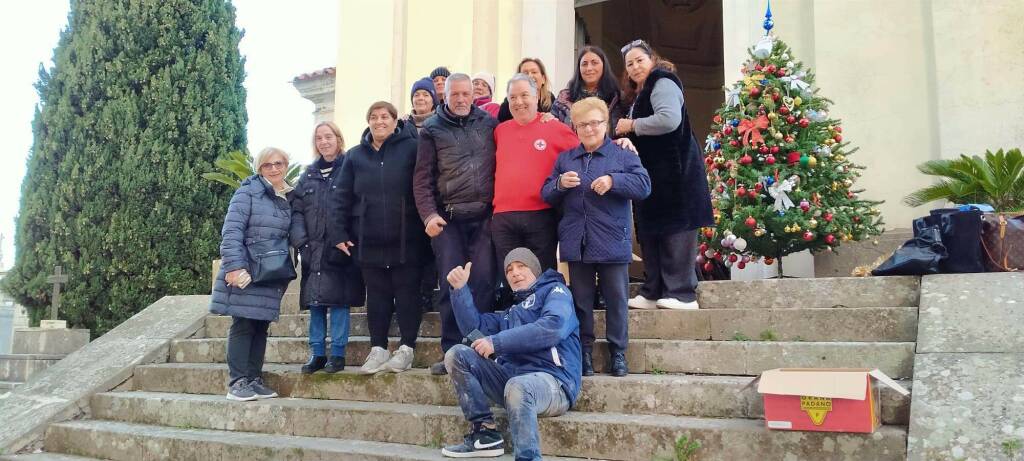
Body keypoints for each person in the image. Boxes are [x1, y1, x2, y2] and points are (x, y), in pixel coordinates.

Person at [542, 97, 651, 377]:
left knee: (616, 299)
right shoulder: (566, 158)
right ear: (575, 128)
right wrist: (559, 184)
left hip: (612, 240)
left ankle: (618, 353)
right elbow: (546, 193)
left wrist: (615, 181)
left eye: (595, 123)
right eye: (582, 125)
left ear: (606, 124)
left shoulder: (622, 154)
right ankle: (584, 354)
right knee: (581, 301)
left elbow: (643, 185)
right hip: (576, 241)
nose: (589, 129)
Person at [440, 248, 581, 460]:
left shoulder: (556, 291)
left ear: (535, 271)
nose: (515, 272)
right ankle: (485, 434)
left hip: (554, 383)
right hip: (513, 382)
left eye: (521, 266)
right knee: (457, 354)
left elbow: (553, 326)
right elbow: (474, 329)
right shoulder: (510, 313)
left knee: (519, 386)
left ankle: (528, 457)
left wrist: (497, 342)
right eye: (509, 270)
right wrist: (460, 290)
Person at [615, 39, 714, 311]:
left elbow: (669, 119)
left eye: (640, 61)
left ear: (652, 60)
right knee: (654, 234)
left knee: (675, 234)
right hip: (656, 180)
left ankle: (682, 294)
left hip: (677, 177)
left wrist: (631, 124)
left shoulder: (663, 81)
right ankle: (653, 290)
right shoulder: (642, 93)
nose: (635, 67)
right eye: (629, 64)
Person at [332, 101, 429, 374]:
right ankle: (378, 348)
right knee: (376, 297)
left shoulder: (412, 147)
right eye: (373, 117)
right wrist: (339, 232)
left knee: (407, 294)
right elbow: (340, 196)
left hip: (407, 237)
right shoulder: (354, 156)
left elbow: (424, 185)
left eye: (385, 116)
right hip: (367, 237)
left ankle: (407, 348)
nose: (379, 122)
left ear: (395, 120)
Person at [414, 73, 499, 375]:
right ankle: (451, 350)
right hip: (447, 221)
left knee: (484, 283)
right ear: (445, 97)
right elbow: (421, 180)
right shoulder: (432, 129)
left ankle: (482, 347)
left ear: (473, 96)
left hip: (485, 218)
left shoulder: (489, 124)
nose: (461, 99)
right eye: (455, 95)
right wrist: (429, 215)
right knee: (451, 284)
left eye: (466, 94)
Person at [210, 147, 295, 401]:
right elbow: (232, 232)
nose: (275, 169)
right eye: (268, 165)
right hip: (247, 270)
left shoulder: (287, 196)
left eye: (279, 163)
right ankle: (237, 383)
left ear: (286, 166)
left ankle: (254, 379)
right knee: (244, 324)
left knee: (260, 325)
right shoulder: (246, 193)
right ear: (259, 168)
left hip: (270, 273)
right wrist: (235, 267)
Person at [290, 122, 365, 375]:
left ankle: (338, 354)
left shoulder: (350, 168)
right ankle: (317, 353)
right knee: (316, 303)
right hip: (313, 249)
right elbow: (297, 212)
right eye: (319, 138)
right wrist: (302, 243)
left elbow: (357, 206)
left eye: (328, 136)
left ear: (338, 138)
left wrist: (347, 238)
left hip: (341, 248)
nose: (324, 142)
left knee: (340, 302)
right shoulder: (308, 175)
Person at [491, 74, 579, 271]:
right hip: (503, 216)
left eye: (524, 95)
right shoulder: (500, 131)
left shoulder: (555, 127)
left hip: (541, 214)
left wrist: (617, 143)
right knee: (510, 277)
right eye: (512, 97)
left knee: (542, 274)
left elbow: (586, 150)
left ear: (536, 96)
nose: (518, 102)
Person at [556, 45, 623, 129]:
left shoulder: (616, 97)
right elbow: (553, 126)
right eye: (584, 64)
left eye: (594, 63)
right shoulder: (564, 98)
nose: (589, 68)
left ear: (604, 65)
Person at [497, 58, 568, 123]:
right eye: (525, 73)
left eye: (534, 72)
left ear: (543, 78)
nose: (530, 76)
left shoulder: (550, 98)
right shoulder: (509, 103)